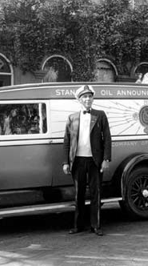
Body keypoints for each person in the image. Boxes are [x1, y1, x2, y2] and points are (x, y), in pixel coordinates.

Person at [63, 85, 112, 236]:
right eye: (84, 97)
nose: (88, 99)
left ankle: (95, 226)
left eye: (90, 96)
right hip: (77, 161)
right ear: (79, 100)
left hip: (94, 161)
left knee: (96, 193)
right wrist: (66, 162)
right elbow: (67, 141)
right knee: (79, 194)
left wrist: (106, 159)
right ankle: (78, 226)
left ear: (93, 98)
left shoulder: (100, 115)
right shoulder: (72, 118)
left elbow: (107, 139)